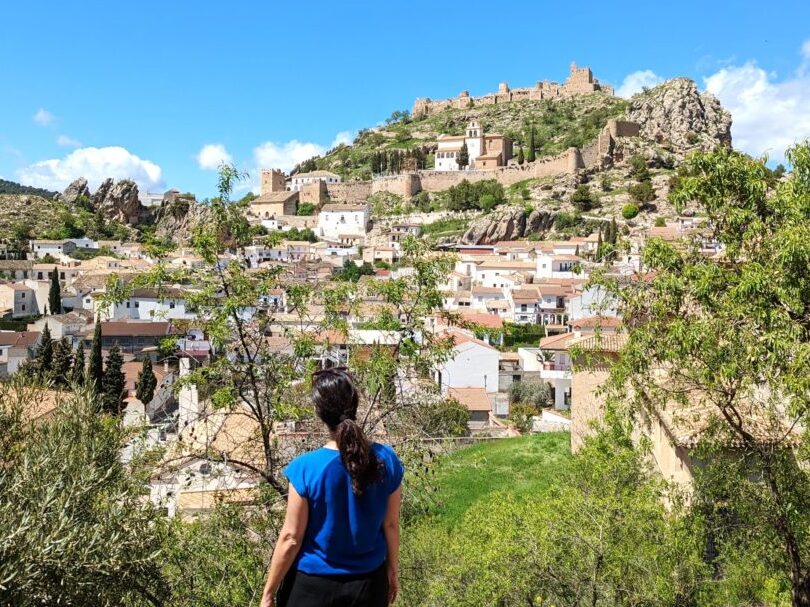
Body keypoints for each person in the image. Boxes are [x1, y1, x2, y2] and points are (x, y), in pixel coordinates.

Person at [260, 367, 404, 607]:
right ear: (355, 405)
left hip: (312, 589)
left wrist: (268, 593)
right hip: (370, 585)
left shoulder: (305, 468)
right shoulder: (387, 460)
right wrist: (392, 571)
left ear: (320, 412)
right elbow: (390, 524)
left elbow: (291, 538)